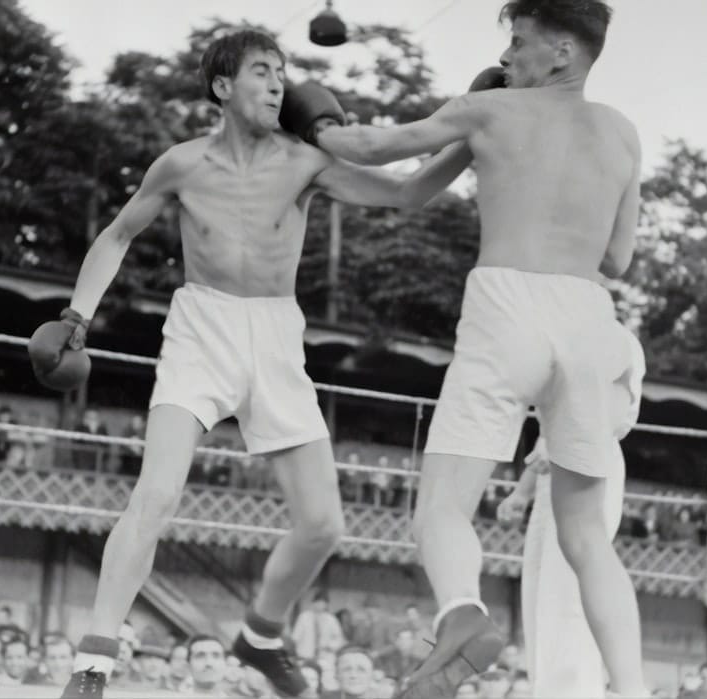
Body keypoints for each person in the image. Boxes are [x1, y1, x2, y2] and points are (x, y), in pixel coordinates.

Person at [30, 28, 474, 699]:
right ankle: (93, 661)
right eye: (262, 71)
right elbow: (118, 235)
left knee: (324, 524)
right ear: (222, 86)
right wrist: (76, 316)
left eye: (281, 72)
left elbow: (407, 195)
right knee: (157, 494)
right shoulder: (181, 164)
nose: (277, 83)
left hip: (275, 336)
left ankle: (261, 634)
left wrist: (471, 131)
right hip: (200, 330)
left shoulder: (305, 161)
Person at [316, 1, 647, 695]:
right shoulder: (623, 133)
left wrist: (310, 119)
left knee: (441, 509)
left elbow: (371, 150)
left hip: (509, 305)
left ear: (562, 51)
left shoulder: (488, 109)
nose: (506, 57)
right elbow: (618, 258)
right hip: (591, 318)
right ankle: (633, 687)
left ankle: (463, 613)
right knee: (587, 538)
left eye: (519, 43)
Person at [499, 325, 645, 698]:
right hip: (555, 469)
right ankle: (547, 688)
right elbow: (548, 432)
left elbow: (610, 414)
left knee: (569, 591)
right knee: (541, 591)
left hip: (590, 461)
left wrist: (565, 441)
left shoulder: (612, 338)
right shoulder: (557, 339)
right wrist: (521, 492)